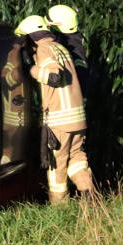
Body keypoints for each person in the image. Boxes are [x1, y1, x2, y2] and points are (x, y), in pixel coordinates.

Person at [14, 14, 95, 204]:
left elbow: (54, 76)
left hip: (60, 121)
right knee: (77, 159)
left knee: (57, 165)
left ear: (31, 37)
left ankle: (59, 208)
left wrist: (31, 69)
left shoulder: (44, 49)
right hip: (77, 119)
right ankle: (90, 196)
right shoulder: (60, 47)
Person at [47, 4, 88, 100]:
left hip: (70, 100)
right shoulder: (72, 40)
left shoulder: (72, 47)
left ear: (60, 25)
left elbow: (81, 77)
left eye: (50, 24)